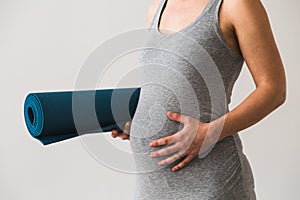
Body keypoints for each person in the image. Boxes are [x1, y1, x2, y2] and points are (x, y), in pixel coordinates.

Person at [112, 0, 286, 199]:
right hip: (151, 188)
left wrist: (210, 133)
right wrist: (142, 124)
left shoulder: (236, 5)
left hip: (210, 183)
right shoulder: (158, 8)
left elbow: (274, 89)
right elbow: (166, 81)